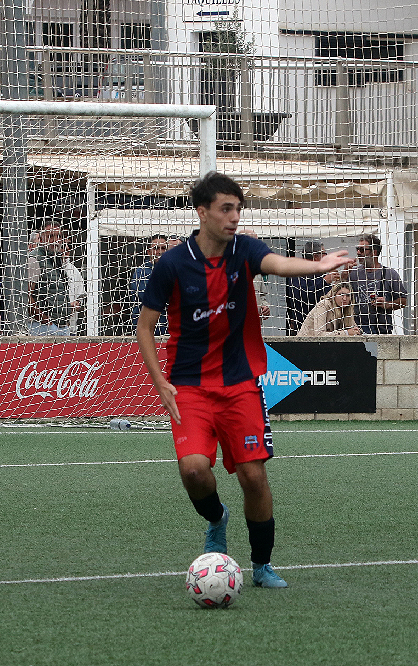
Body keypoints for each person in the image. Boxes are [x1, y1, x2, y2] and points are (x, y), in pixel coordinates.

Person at [136, 171, 354, 589]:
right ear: (202, 212)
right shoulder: (173, 263)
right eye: (226, 208)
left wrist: (318, 265)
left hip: (240, 384)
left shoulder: (245, 250)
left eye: (238, 208)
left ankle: (262, 564)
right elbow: (146, 326)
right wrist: (160, 382)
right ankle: (217, 519)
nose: (234, 217)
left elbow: (277, 264)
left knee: (254, 476)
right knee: (196, 471)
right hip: (190, 385)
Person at [347, 234, 407, 334]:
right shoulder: (353, 273)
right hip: (357, 329)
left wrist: (386, 304)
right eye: (357, 249)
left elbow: (403, 301)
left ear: (374, 252)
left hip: (381, 329)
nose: (358, 252)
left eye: (362, 250)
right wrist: (344, 275)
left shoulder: (389, 274)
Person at [27, 222, 79, 336]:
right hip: (44, 327)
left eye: (59, 236)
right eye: (50, 236)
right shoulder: (34, 260)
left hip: (61, 326)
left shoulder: (56, 260)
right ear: (41, 239)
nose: (56, 240)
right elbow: (26, 296)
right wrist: (45, 320)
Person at [285, 240, 335, 335]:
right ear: (316, 257)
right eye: (324, 254)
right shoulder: (297, 273)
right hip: (302, 329)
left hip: (323, 328)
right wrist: (324, 282)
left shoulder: (322, 274)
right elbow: (302, 297)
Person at [130, 234, 170, 335]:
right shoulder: (141, 273)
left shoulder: (172, 270)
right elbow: (150, 297)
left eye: (163, 248)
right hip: (147, 331)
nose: (160, 252)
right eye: (156, 248)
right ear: (149, 252)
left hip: (170, 330)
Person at [295, 282, 362, 337]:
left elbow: (354, 328)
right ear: (333, 295)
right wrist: (346, 333)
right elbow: (319, 335)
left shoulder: (347, 310)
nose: (344, 299)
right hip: (306, 344)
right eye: (341, 295)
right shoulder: (323, 305)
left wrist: (357, 331)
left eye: (348, 295)